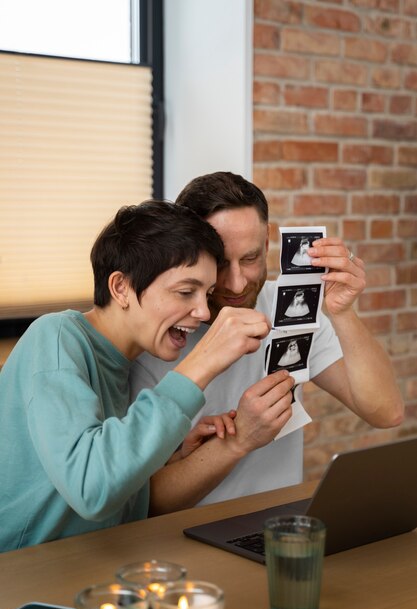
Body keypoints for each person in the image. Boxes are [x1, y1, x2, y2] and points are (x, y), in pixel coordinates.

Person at [0, 200, 280, 552]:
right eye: (185, 291)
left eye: (207, 294)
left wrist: (175, 460)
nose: (203, 311)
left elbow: (113, 502)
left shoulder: (123, 364)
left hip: (84, 566)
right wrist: (202, 363)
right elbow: (91, 490)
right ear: (121, 288)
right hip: (19, 576)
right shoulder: (55, 338)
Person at [130, 172, 404, 514]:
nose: (235, 282)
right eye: (218, 262)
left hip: (277, 526)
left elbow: (386, 412)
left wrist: (343, 312)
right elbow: (143, 504)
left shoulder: (288, 307)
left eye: (249, 259)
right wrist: (241, 438)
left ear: (267, 246)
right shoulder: (155, 337)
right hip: (181, 541)